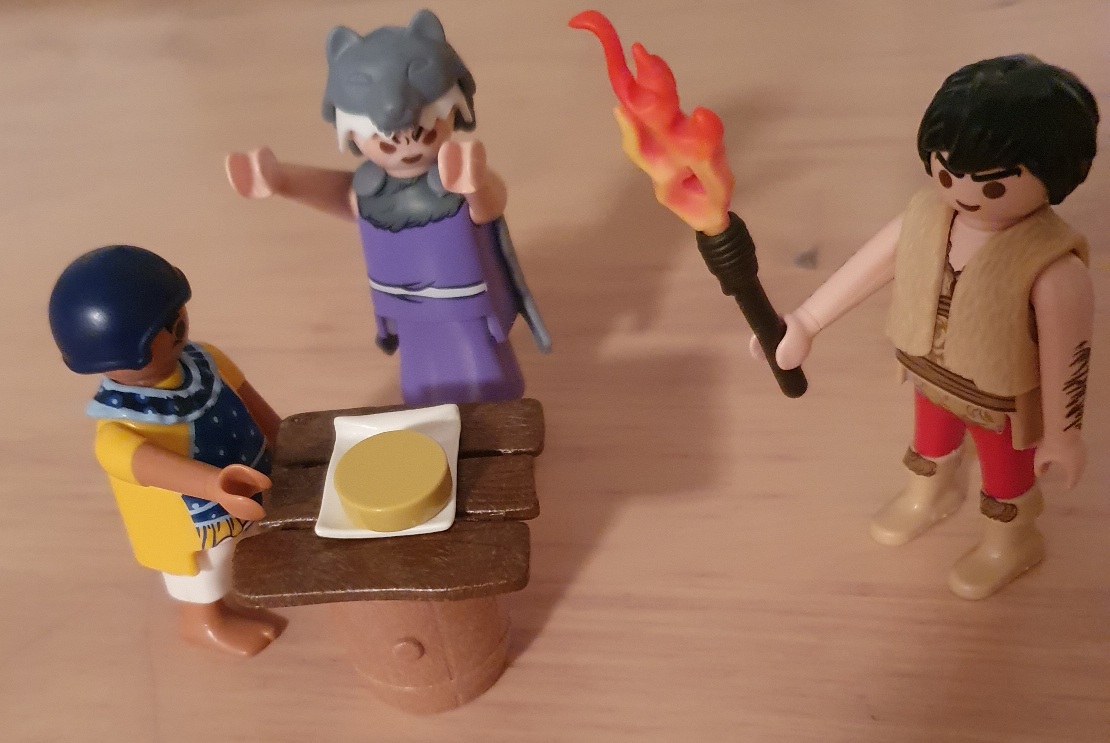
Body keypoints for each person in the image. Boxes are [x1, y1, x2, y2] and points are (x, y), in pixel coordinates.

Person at [765, 56, 1098, 599]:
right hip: (930, 374)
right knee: (929, 442)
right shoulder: (924, 219)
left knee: (1005, 475)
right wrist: (806, 321)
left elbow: (1070, 358)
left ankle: (1011, 540)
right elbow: (865, 268)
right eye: (946, 172)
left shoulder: (1052, 266)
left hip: (1000, 401)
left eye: (992, 186)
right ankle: (929, 494)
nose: (963, 192)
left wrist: (1063, 434)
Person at [226, 9, 548, 406]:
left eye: (422, 133)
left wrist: (473, 185)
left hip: (464, 305)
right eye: (387, 142)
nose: (407, 147)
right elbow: (343, 197)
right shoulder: (370, 188)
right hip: (405, 308)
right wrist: (281, 180)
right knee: (422, 379)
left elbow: (489, 209)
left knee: (484, 373)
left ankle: (497, 419)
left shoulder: (460, 169)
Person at [49, 245, 284, 654]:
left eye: (177, 316)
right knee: (208, 567)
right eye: (163, 327)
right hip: (196, 516)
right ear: (125, 349)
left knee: (254, 538)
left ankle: (257, 579)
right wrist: (215, 485)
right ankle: (203, 622)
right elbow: (151, 465)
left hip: (249, 472)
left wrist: (285, 437)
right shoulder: (120, 427)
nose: (178, 328)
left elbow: (249, 400)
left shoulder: (206, 361)